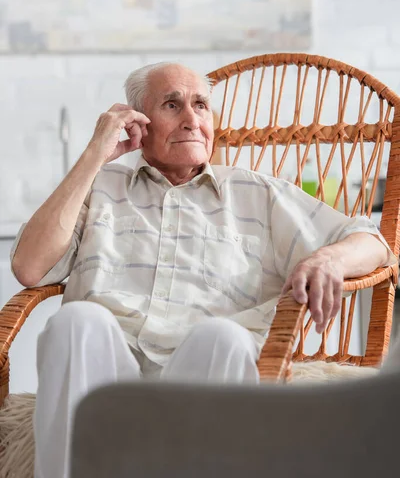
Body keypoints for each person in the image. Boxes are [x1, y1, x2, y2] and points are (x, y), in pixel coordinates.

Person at [10, 62, 396, 478]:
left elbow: (374, 242)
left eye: (201, 106)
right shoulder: (98, 187)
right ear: (138, 122)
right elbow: (29, 268)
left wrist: (327, 258)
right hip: (105, 373)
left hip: (205, 370)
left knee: (224, 335)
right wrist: (94, 155)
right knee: (76, 322)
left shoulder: (257, 193)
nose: (192, 119)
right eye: (172, 105)